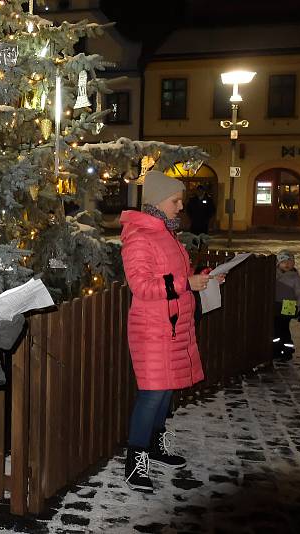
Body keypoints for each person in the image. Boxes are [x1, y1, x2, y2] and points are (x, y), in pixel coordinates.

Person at [119, 170, 222, 493]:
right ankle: (135, 460)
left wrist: (203, 278)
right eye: (176, 200)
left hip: (172, 325)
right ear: (159, 201)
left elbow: (176, 276)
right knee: (152, 394)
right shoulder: (140, 236)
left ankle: (155, 445)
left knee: (165, 390)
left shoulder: (167, 233)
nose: (181, 206)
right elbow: (142, 286)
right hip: (152, 328)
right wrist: (185, 285)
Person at [273, 249, 300, 362]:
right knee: (274, 328)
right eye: (284, 262)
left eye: (290, 262)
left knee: (283, 328)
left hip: (288, 306)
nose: (287, 264)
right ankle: (275, 348)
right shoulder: (273, 274)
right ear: (278, 264)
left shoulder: (295, 278)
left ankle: (287, 350)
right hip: (275, 306)